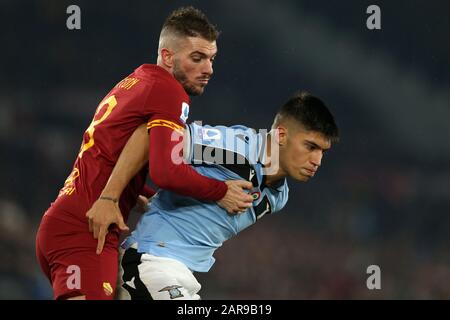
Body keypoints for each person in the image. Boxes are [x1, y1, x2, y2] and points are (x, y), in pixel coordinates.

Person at [35, 6, 253, 300]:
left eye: (211, 59)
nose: (208, 69)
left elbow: (111, 151)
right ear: (167, 56)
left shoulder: (135, 81)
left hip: (74, 221)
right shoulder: (169, 91)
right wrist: (220, 190)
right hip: (87, 230)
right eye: (197, 58)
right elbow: (167, 171)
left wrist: (134, 188)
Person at [113, 91, 339, 299]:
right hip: (150, 261)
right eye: (310, 147)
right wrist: (114, 194)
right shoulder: (234, 148)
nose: (317, 161)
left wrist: (158, 197)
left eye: (323, 152)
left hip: (185, 276)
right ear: (281, 135)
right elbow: (152, 136)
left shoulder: (278, 197)